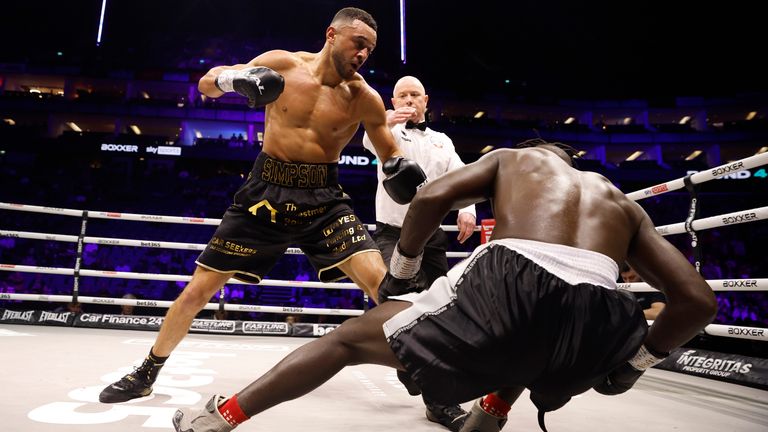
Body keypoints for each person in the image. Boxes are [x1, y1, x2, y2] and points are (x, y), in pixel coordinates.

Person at [171, 140, 717, 432]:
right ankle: (490, 415)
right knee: (535, 325)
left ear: (537, 154)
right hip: (595, 324)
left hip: (513, 279)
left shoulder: (514, 159)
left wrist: (401, 273)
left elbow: (429, 200)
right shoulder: (618, 199)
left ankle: (216, 420)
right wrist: (631, 366)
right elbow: (697, 301)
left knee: (347, 340)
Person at [99, 7, 426, 404]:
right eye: (358, 44)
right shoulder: (282, 65)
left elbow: (388, 152)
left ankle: (423, 375)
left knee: (385, 287)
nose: (363, 55)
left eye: (370, 50)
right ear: (332, 35)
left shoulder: (364, 98)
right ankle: (146, 373)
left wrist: (399, 170)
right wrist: (235, 79)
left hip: (324, 198)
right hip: (264, 193)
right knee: (198, 291)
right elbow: (206, 84)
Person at [362, 75, 476, 430]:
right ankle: (410, 364)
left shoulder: (443, 141)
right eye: (402, 95)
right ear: (393, 100)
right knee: (396, 305)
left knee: (441, 312)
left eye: (415, 95)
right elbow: (370, 141)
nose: (409, 100)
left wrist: (468, 210)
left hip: (432, 239)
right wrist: (383, 121)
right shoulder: (386, 131)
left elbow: (461, 177)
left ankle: (437, 398)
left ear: (426, 100)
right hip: (392, 235)